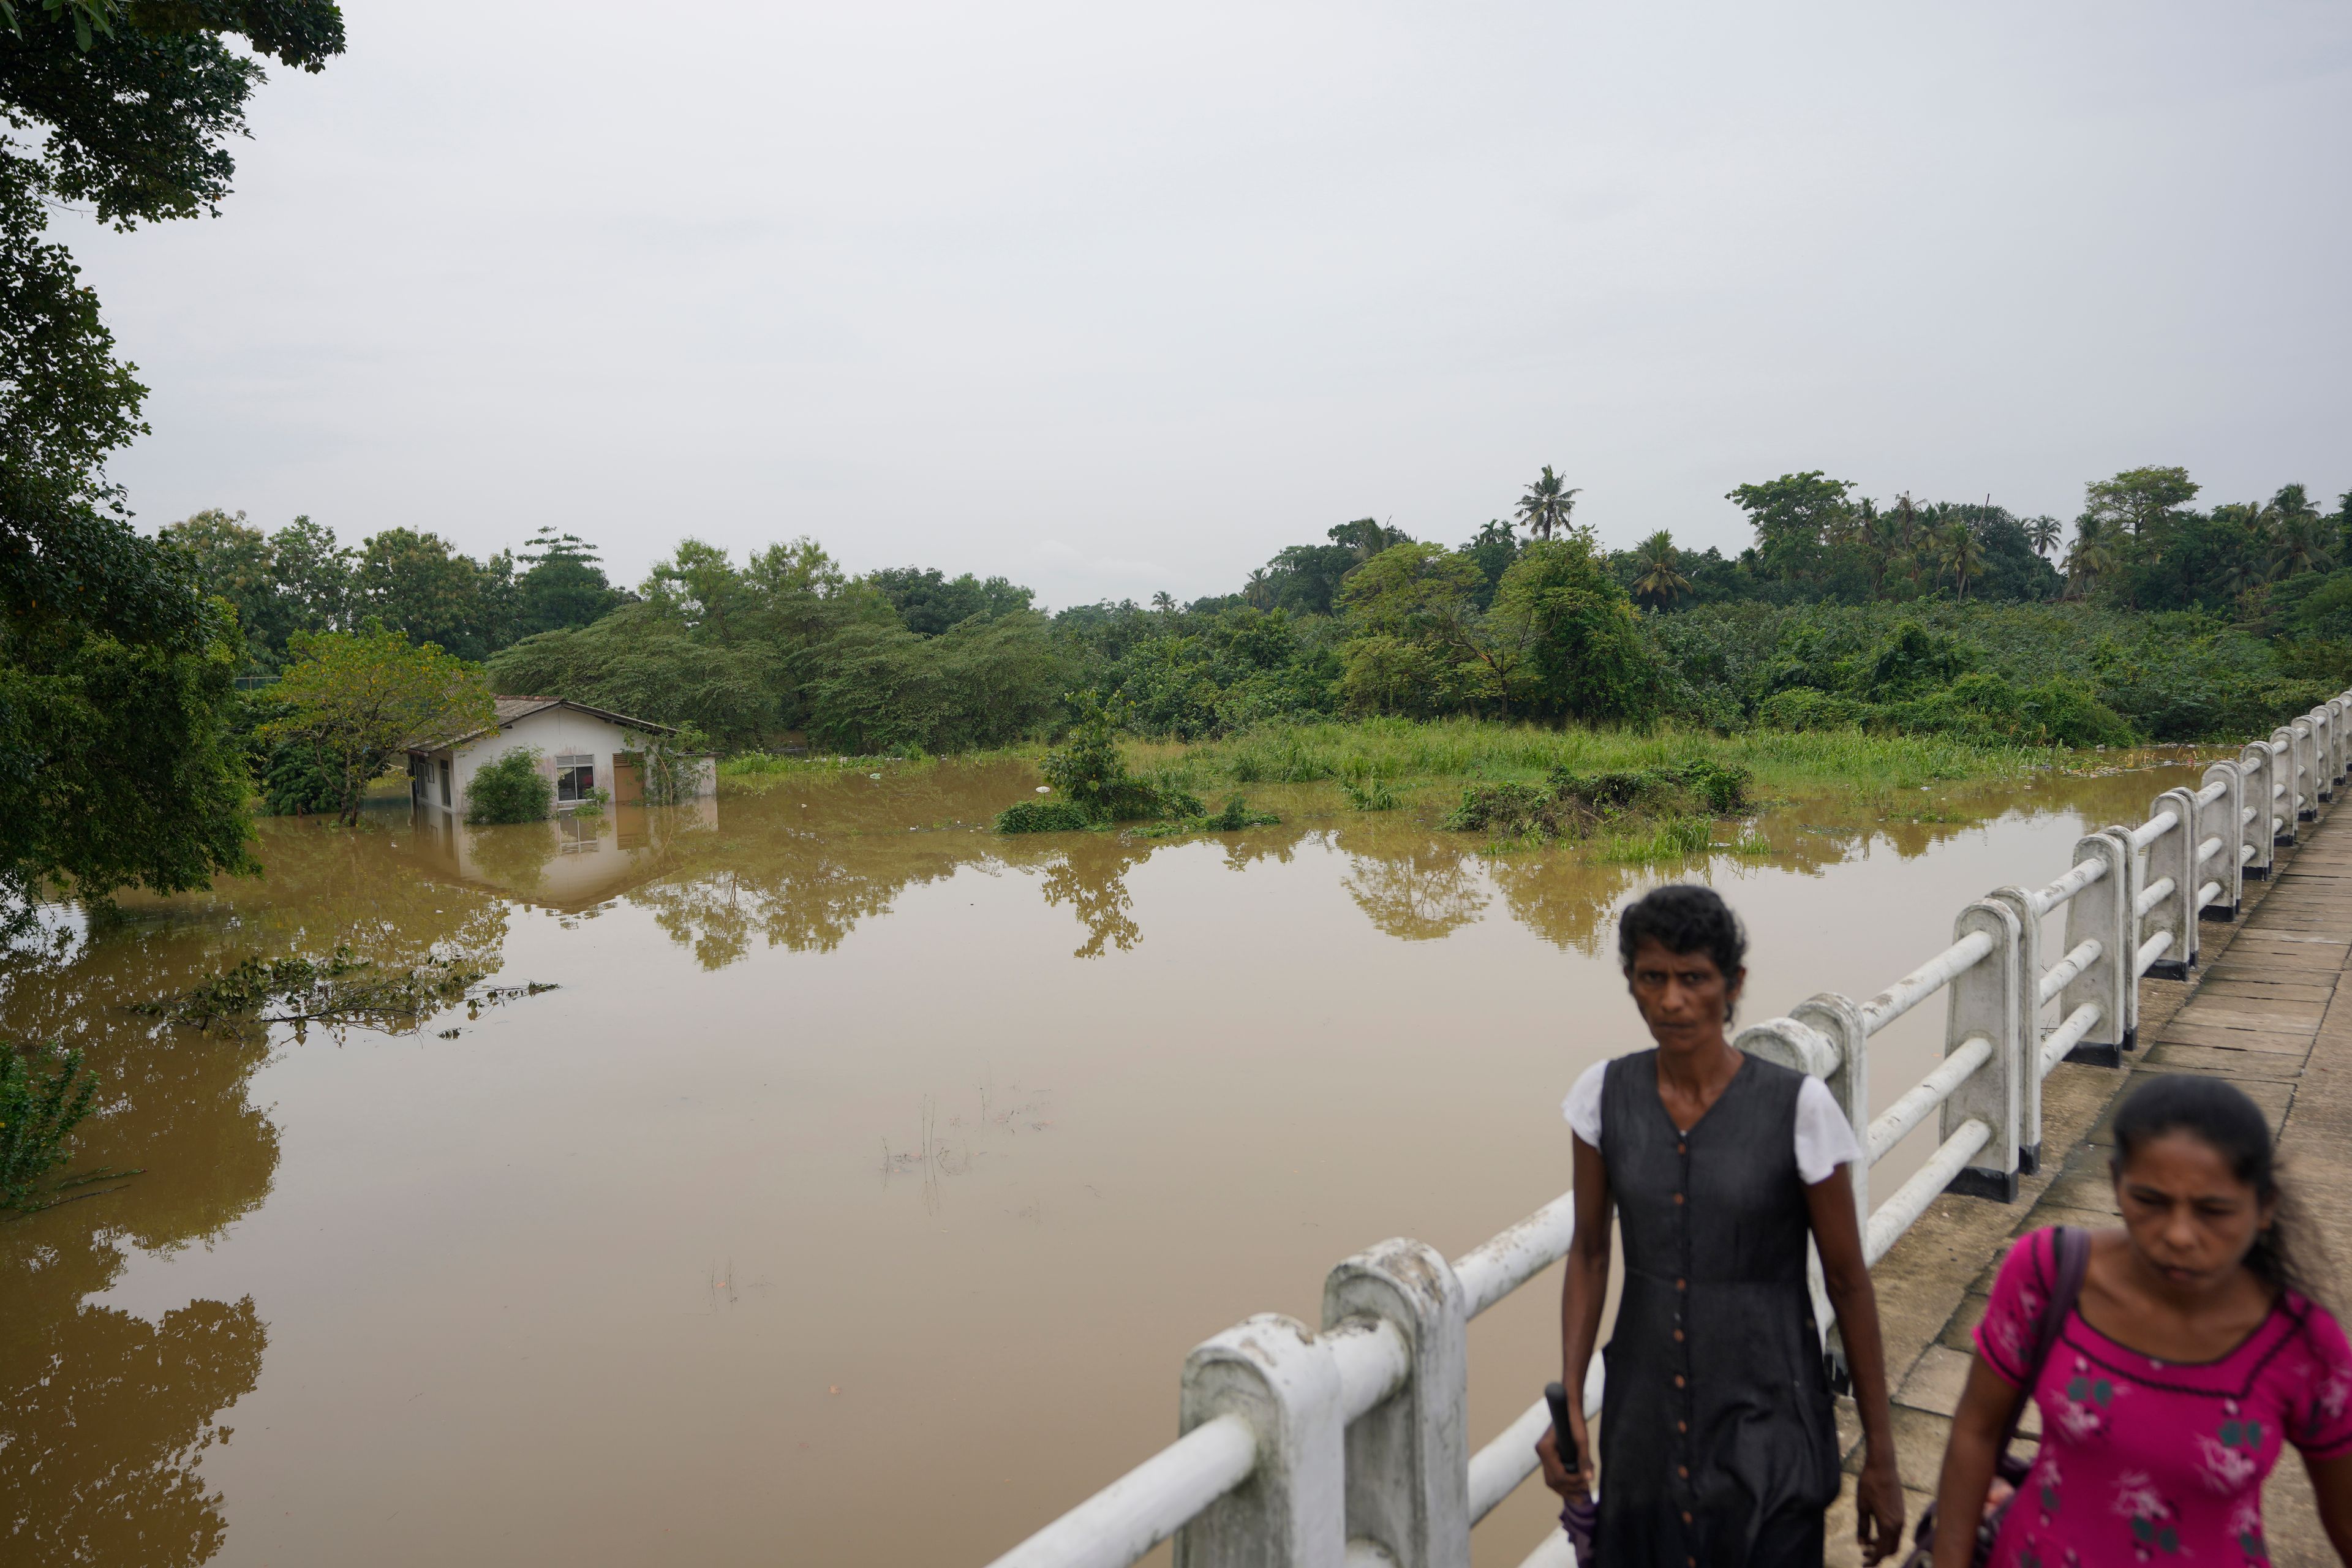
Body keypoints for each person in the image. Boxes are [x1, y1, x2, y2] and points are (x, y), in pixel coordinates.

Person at [1538, 884, 1905, 1566]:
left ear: (1732, 984)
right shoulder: (1601, 1098)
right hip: (1642, 1420)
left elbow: (1849, 1283)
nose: (1672, 1000)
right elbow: (1590, 1254)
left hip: (1770, 1418)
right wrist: (1570, 1418)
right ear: (1631, 982)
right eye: (1653, 978)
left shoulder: (1799, 1109)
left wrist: (1881, 1456)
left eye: (1693, 979)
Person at [1928, 1073, 2352, 1567]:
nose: (2178, 1235)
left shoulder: (2303, 1346)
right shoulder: (2047, 1273)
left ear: (2265, 1208)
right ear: (2116, 1183)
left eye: (2213, 1211)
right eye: (2150, 1202)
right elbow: (1976, 1431)